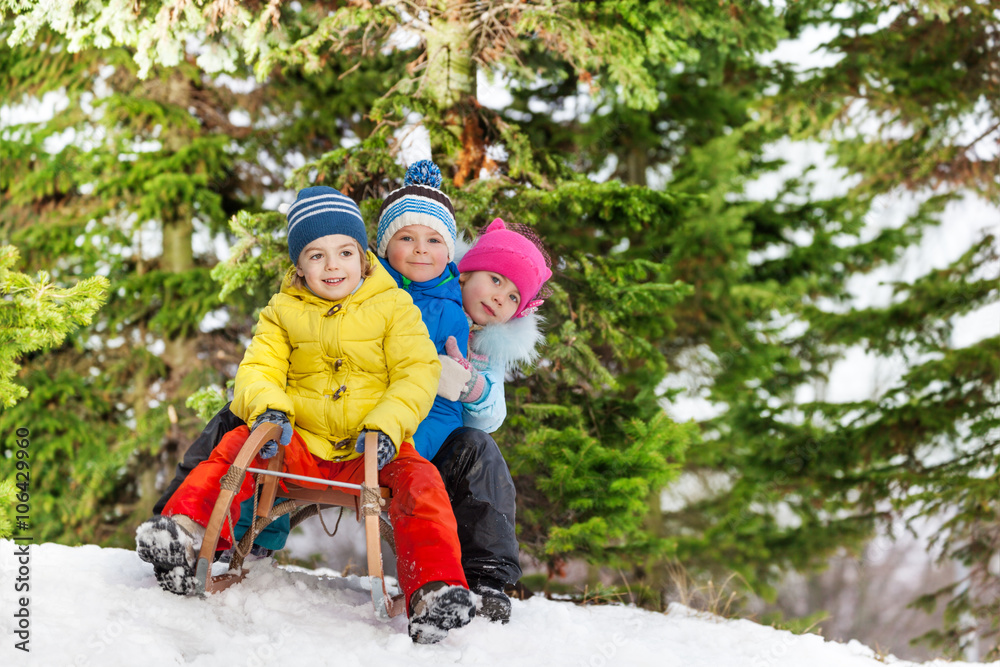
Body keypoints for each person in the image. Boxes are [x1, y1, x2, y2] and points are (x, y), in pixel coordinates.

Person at [150, 166, 554, 623]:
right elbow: (280, 351)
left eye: (433, 241)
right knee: (237, 426)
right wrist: (265, 394)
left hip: (410, 445)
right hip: (322, 431)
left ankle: (478, 582)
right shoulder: (349, 287)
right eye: (407, 238)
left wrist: (473, 384)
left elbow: (483, 411)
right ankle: (178, 527)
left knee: (475, 454)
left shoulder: (474, 331)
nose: (420, 250)